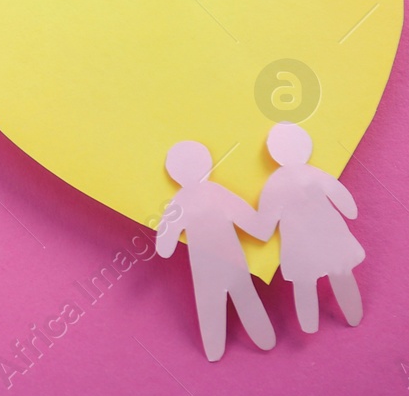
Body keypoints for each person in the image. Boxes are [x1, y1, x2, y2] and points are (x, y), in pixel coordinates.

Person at [156, 140, 277, 361]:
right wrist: (263, 229)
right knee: (244, 295)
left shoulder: (179, 202)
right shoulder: (214, 193)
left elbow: (164, 244)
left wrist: (164, 244)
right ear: (207, 165)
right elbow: (246, 217)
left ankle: (215, 350)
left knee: (211, 303)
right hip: (230, 261)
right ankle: (262, 338)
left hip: (206, 268)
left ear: (173, 173)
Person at [256, 121, 365, 332]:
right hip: (326, 231)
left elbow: (266, 224)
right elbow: (341, 198)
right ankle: (350, 316)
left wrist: (255, 224)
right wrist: (349, 209)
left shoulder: (274, 183)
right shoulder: (312, 173)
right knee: (338, 270)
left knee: (305, 280)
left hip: (299, 239)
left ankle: (309, 326)